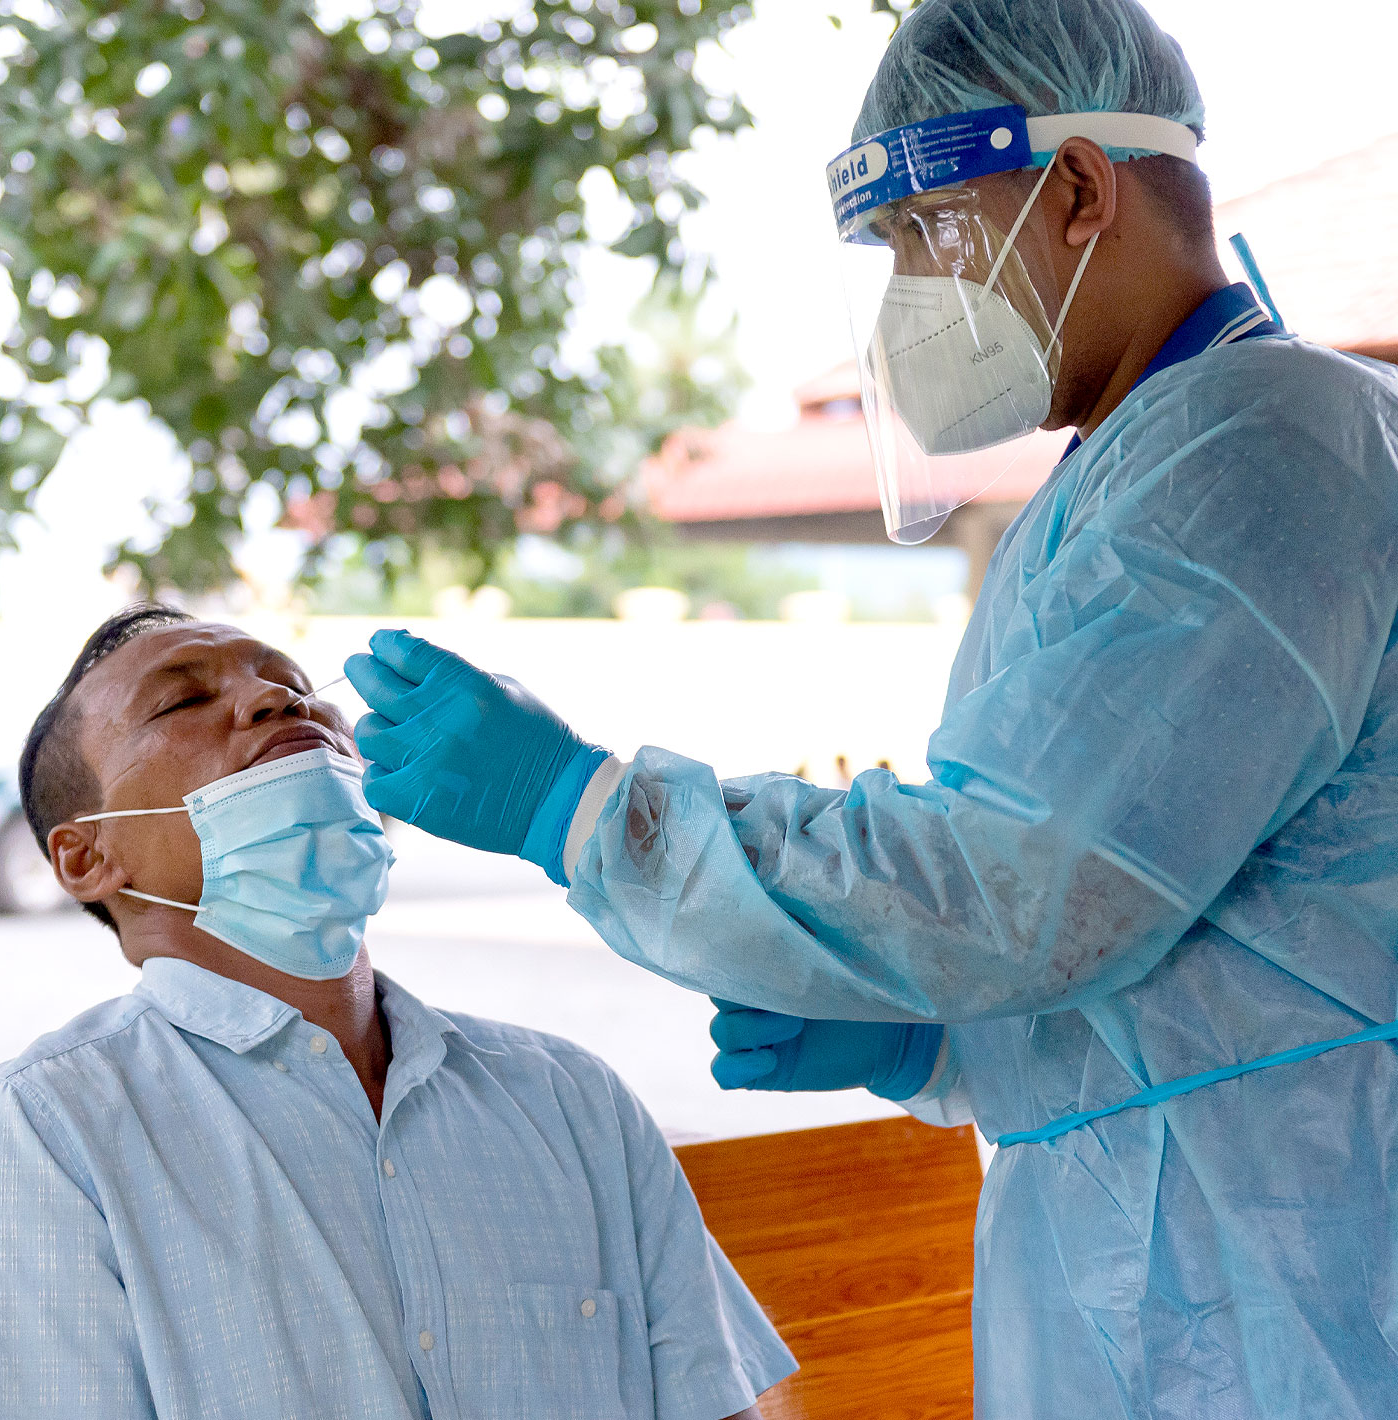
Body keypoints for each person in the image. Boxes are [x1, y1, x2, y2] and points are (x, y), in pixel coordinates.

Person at [342, 1, 1398, 1415]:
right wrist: (948, 1046)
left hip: (1306, 1284)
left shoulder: (1251, 450)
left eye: (920, 235)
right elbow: (1198, 928)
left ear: (1079, 188)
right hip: (1225, 1271)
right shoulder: (1142, 467)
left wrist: (587, 811)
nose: (906, 298)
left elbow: (1026, 880)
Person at [0, 605, 793, 1420]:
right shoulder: (47, 1131)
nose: (278, 701)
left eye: (295, 684)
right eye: (181, 702)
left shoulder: (570, 1095)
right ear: (85, 856)